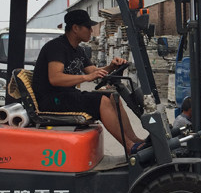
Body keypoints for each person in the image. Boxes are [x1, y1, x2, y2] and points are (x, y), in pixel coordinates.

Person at [32, 9, 144, 153]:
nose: (91, 31)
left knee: (112, 97)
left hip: (67, 96)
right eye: (88, 27)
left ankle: (134, 140)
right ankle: (129, 147)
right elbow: (55, 78)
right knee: (101, 101)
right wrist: (86, 78)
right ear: (75, 28)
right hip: (51, 99)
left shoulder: (78, 50)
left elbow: (92, 71)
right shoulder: (56, 47)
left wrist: (111, 66)